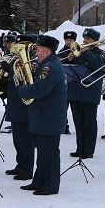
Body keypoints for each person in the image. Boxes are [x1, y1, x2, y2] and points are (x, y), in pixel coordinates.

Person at [18, 34, 67, 195]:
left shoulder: (51, 67)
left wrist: (21, 89)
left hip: (49, 116)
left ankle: (51, 185)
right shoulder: (45, 64)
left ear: (46, 51)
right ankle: (39, 180)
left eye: (38, 50)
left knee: (50, 153)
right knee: (43, 152)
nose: (36, 53)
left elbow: (39, 90)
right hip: (42, 115)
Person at [65, 28, 105, 159]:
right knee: (78, 122)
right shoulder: (79, 52)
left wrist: (87, 52)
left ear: (94, 41)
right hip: (76, 92)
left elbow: (96, 65)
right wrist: (70, 59)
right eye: (84, 38)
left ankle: (88, 150)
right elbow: (70, 68)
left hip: (90, 92)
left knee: (89, 122)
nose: (84, 41)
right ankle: (80, 148)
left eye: (88, 39)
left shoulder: (101, 53)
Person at [1, 34, 36, 180]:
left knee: (25, 140)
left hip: (25, 104)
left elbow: (29, 80)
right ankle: (20, 165)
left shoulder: (33, 60)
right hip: (15, 102)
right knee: (17, 139)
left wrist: (10, 69)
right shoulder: (16, 59)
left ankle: (27, 169)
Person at [57, 31, 77, 135]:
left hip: (75, 84)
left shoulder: (78, 50)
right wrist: (68, 60)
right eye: (67, 40)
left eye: (71, 40)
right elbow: (59, 66)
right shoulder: (61, 52)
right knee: (63, 107)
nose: (69, 42)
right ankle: (63, 126)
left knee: (76, 108)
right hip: (64, 84)